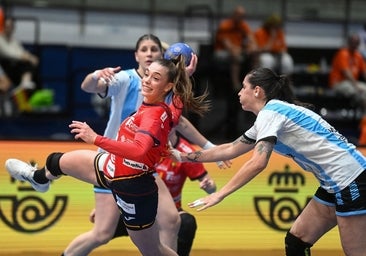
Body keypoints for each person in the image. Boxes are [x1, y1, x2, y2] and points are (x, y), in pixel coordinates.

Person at [6, 56, 210, 256]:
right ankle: (39, 179)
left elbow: (139, 150)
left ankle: (42, 179)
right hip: (111, 165)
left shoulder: (153, 115)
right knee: (58, 161)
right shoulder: (168, 106)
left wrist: (95, 138)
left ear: (166, 86)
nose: (146, 80)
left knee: (153, 250)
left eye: (155, 78)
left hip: (131, 185)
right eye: (147, 74)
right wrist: (184, 75)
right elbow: (178, 99)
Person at [59, 34, 226, 256]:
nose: (149, 53)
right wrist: (95, 74)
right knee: (102, 234)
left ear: (162, 56)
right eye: (144, 49)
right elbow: (88, 87)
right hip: (112, 162)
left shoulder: (165, 87)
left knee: (171, 220)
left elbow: (180, 121)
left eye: (154, 49)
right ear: (136, 55)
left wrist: (210, 148)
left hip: (140, 167)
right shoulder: (126, 80)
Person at [171, 67, 366, 256]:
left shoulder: (271, 113)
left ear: (257, 91)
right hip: (334, 183)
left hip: (351, 179)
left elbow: (258, 163)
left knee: (355, 252)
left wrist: (219, 195)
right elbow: (229, 149)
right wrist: (180, 155)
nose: (239, 92)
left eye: (243, 87)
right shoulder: (268, 118)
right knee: (297, 239)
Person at [83, 131, 216, 256]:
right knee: (101, 233)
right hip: (135, 209)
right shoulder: (138, 146)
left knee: (186, 222)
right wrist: (104, 208)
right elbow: (117, 177)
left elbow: (211, 187)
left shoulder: (185, 151)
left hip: (170, 212)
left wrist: (209, 186)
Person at [213, 5, 257, 139]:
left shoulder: (243, 26)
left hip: (238, 50)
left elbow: (252, 40)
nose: (241, 18)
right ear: (234, 15)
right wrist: (236, 50)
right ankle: (235, 81)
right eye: (239, 15)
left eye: (243, 16)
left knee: (253, 53)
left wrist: (251, 48)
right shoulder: (225, 26)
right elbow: (226, 44)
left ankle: (253, 78)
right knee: (236, 56)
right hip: (222, 53)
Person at [329, 33, 366, 115]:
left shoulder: (358, 55)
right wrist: (356, 86)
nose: (355, 44)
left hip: (352, 83)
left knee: (363, 90)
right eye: (354, 42)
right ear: (349, 42)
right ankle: (363, 119)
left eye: (357, 42)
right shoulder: (343, 53)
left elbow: (364, 72)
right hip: (339, 83)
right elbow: (346, 73)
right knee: (359, 93)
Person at [0, 16, 39, 90]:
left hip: (16, 66)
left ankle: (26, 83)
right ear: (3, 26)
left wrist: (30, 57)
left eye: (11, 26)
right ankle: (24, 82)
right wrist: (26, 57)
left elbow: (21, 51)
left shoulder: (14, 41)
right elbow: (8, 54)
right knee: (26, 63)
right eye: (7, 26)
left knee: (32, 66)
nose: (9, 28)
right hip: (5, 66)